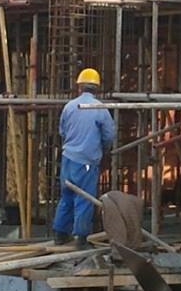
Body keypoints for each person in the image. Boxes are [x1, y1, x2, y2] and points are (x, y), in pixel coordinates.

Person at [53, 68, 116, 248]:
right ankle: (81, 237)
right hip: (86, 161)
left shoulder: (69, 106)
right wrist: (103, 149)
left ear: (79, 86)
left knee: (66, 196)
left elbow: (62, 131)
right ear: (96, 88)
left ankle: (60, 234)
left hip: (67, 158)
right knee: (85, 198)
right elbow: (109, 135)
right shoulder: (99, 109)